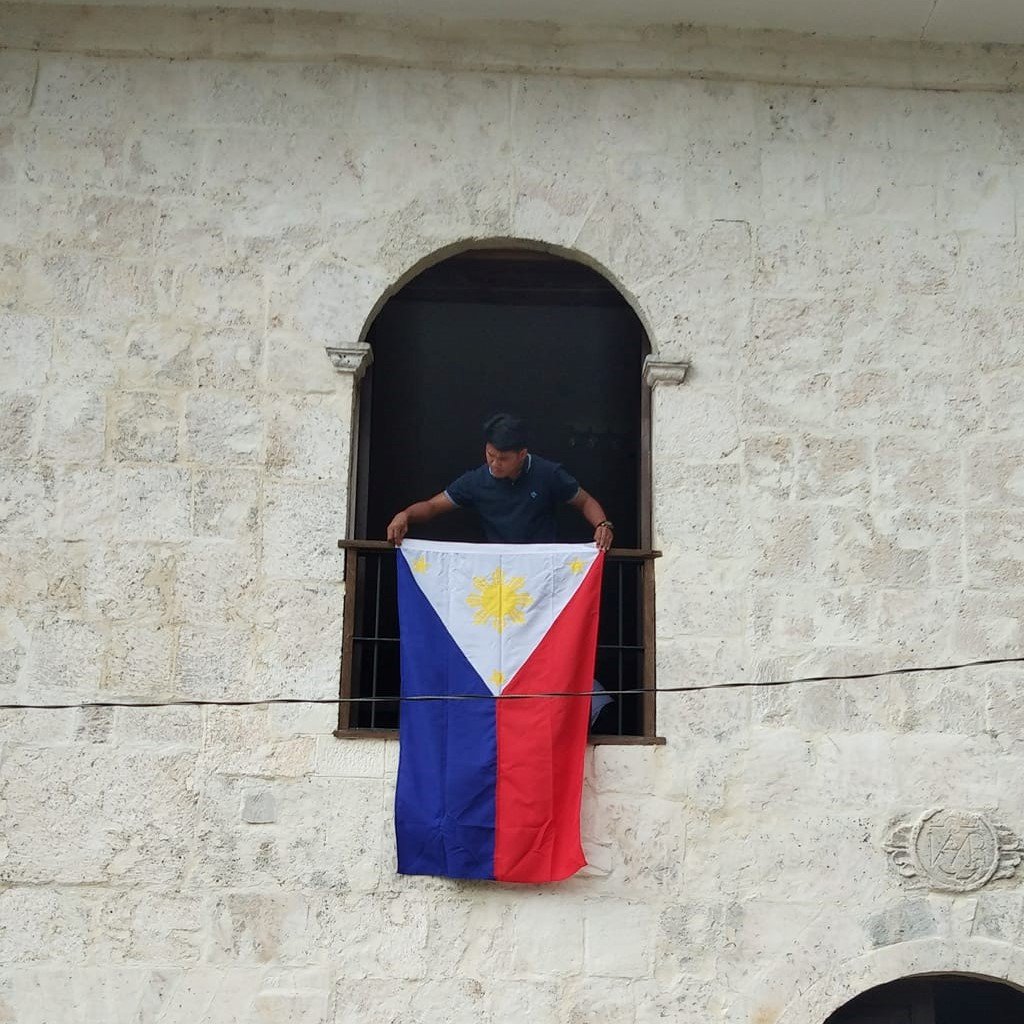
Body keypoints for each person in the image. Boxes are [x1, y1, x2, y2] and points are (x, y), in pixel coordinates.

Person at [386, 413, 615, 550]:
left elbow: (585, 501)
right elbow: (433, 506)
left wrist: (602, 525)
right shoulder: (475, 480)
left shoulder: (548, 473)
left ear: (522, 454)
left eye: (503, 459)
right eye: (490, 455)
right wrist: (405, 515)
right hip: (497, 570)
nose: (494, 464)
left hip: (542, 568)